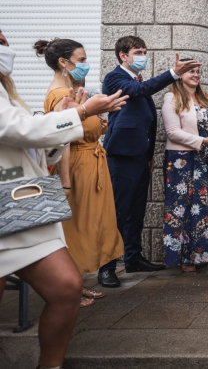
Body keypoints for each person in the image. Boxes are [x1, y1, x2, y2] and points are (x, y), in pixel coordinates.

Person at [0, 30, 127, 368]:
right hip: (8, 204)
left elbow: (36, 148)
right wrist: (83, 111)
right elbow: (19, 130)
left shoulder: (7, 92)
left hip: (18, 206)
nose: (6, 49)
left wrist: (72, 120)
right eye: (0, 44)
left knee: (67, 287)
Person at [99, 36, 201, 287]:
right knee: (118, 212)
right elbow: (139, 92)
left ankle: (133, 258)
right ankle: (106, 267)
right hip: (120, 157)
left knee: (136, 212)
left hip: (139, 158)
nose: (143, 55)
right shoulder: (115, 78)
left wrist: (148, 156)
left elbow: (148, 121)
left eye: (144, 51)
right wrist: (173, 74)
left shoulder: (137, 80)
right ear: (123, 55)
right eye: (138, 51)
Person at [37, 38, 124, 307]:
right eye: (82, 60)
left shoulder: (73, 90)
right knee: (75, 229)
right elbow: (61, 140)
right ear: (64, 62)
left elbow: (80, 127)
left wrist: (99, 125)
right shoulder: (60, 95)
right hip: (77, 167)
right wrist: (65, 182)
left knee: (90, 226)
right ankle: (70, 289)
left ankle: (76, 286)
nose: (86, 65)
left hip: (91, 161)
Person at [161, 67, 208, 272]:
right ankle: (188, 257)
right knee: (185, 205)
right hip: (182, 159)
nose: (195, 74)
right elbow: (173, 132)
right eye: (190, 71)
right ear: (180, 75)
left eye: (198, 71)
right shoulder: (171, 97)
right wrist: (203, 141)